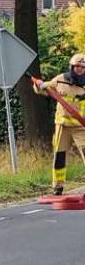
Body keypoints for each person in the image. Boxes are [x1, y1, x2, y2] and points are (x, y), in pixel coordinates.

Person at [34, 53, 85, 195]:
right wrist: (39, 86)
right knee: (59, 157)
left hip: (81, 127)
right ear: (71, 67)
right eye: (77, 67)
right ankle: (58, 186)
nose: (80, 70)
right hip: (62, 126)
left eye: (83, 67)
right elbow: (46, 89)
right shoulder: (61, 79)